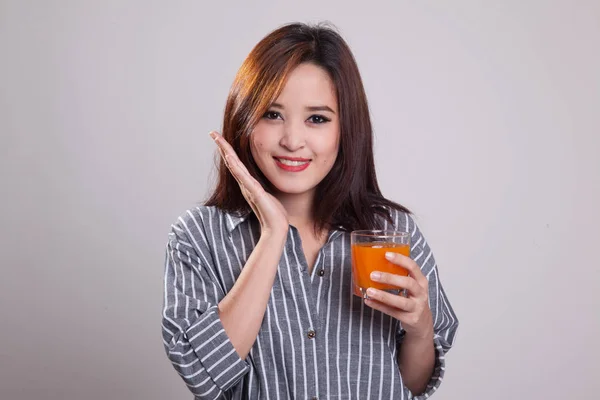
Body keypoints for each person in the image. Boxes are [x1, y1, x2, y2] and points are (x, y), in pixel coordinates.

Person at [162, 22, 458, 400]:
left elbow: (414, 385)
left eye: (317, 118)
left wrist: (419, 328)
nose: (292, 140)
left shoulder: (391, 231)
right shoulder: (199, 236)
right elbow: (204, 376)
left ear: (345, 129)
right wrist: (272, 235)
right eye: (272, 114)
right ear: (244, 119)